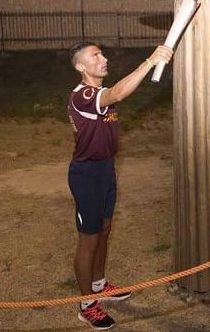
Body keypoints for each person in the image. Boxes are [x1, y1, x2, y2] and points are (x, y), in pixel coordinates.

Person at [67, 41, 172, 330]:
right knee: (88, 239)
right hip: (86, 175)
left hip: (105, 170)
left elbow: (113, 94)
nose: (103, 58)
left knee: (104, 229)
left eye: (102, 53)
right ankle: (86, 304)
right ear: (80, 66)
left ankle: (99, 285)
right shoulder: (84, 95)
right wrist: (150, 61)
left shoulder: (99, 95)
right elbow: (118, 93)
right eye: (95, 56)